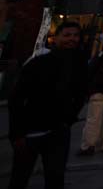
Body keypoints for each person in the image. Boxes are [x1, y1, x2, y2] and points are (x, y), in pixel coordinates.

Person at [8, 20, 89, 189]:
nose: (72, 39)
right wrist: (17, 133)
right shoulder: (39, 61)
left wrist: (69, 119)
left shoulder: (79, 63)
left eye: (75, 35)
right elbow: (16, 98)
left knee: (55, 177)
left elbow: (81, 93)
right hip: (31, 131)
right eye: (67, 35)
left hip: (58, 131)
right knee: (19, 178)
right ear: (56, 37)